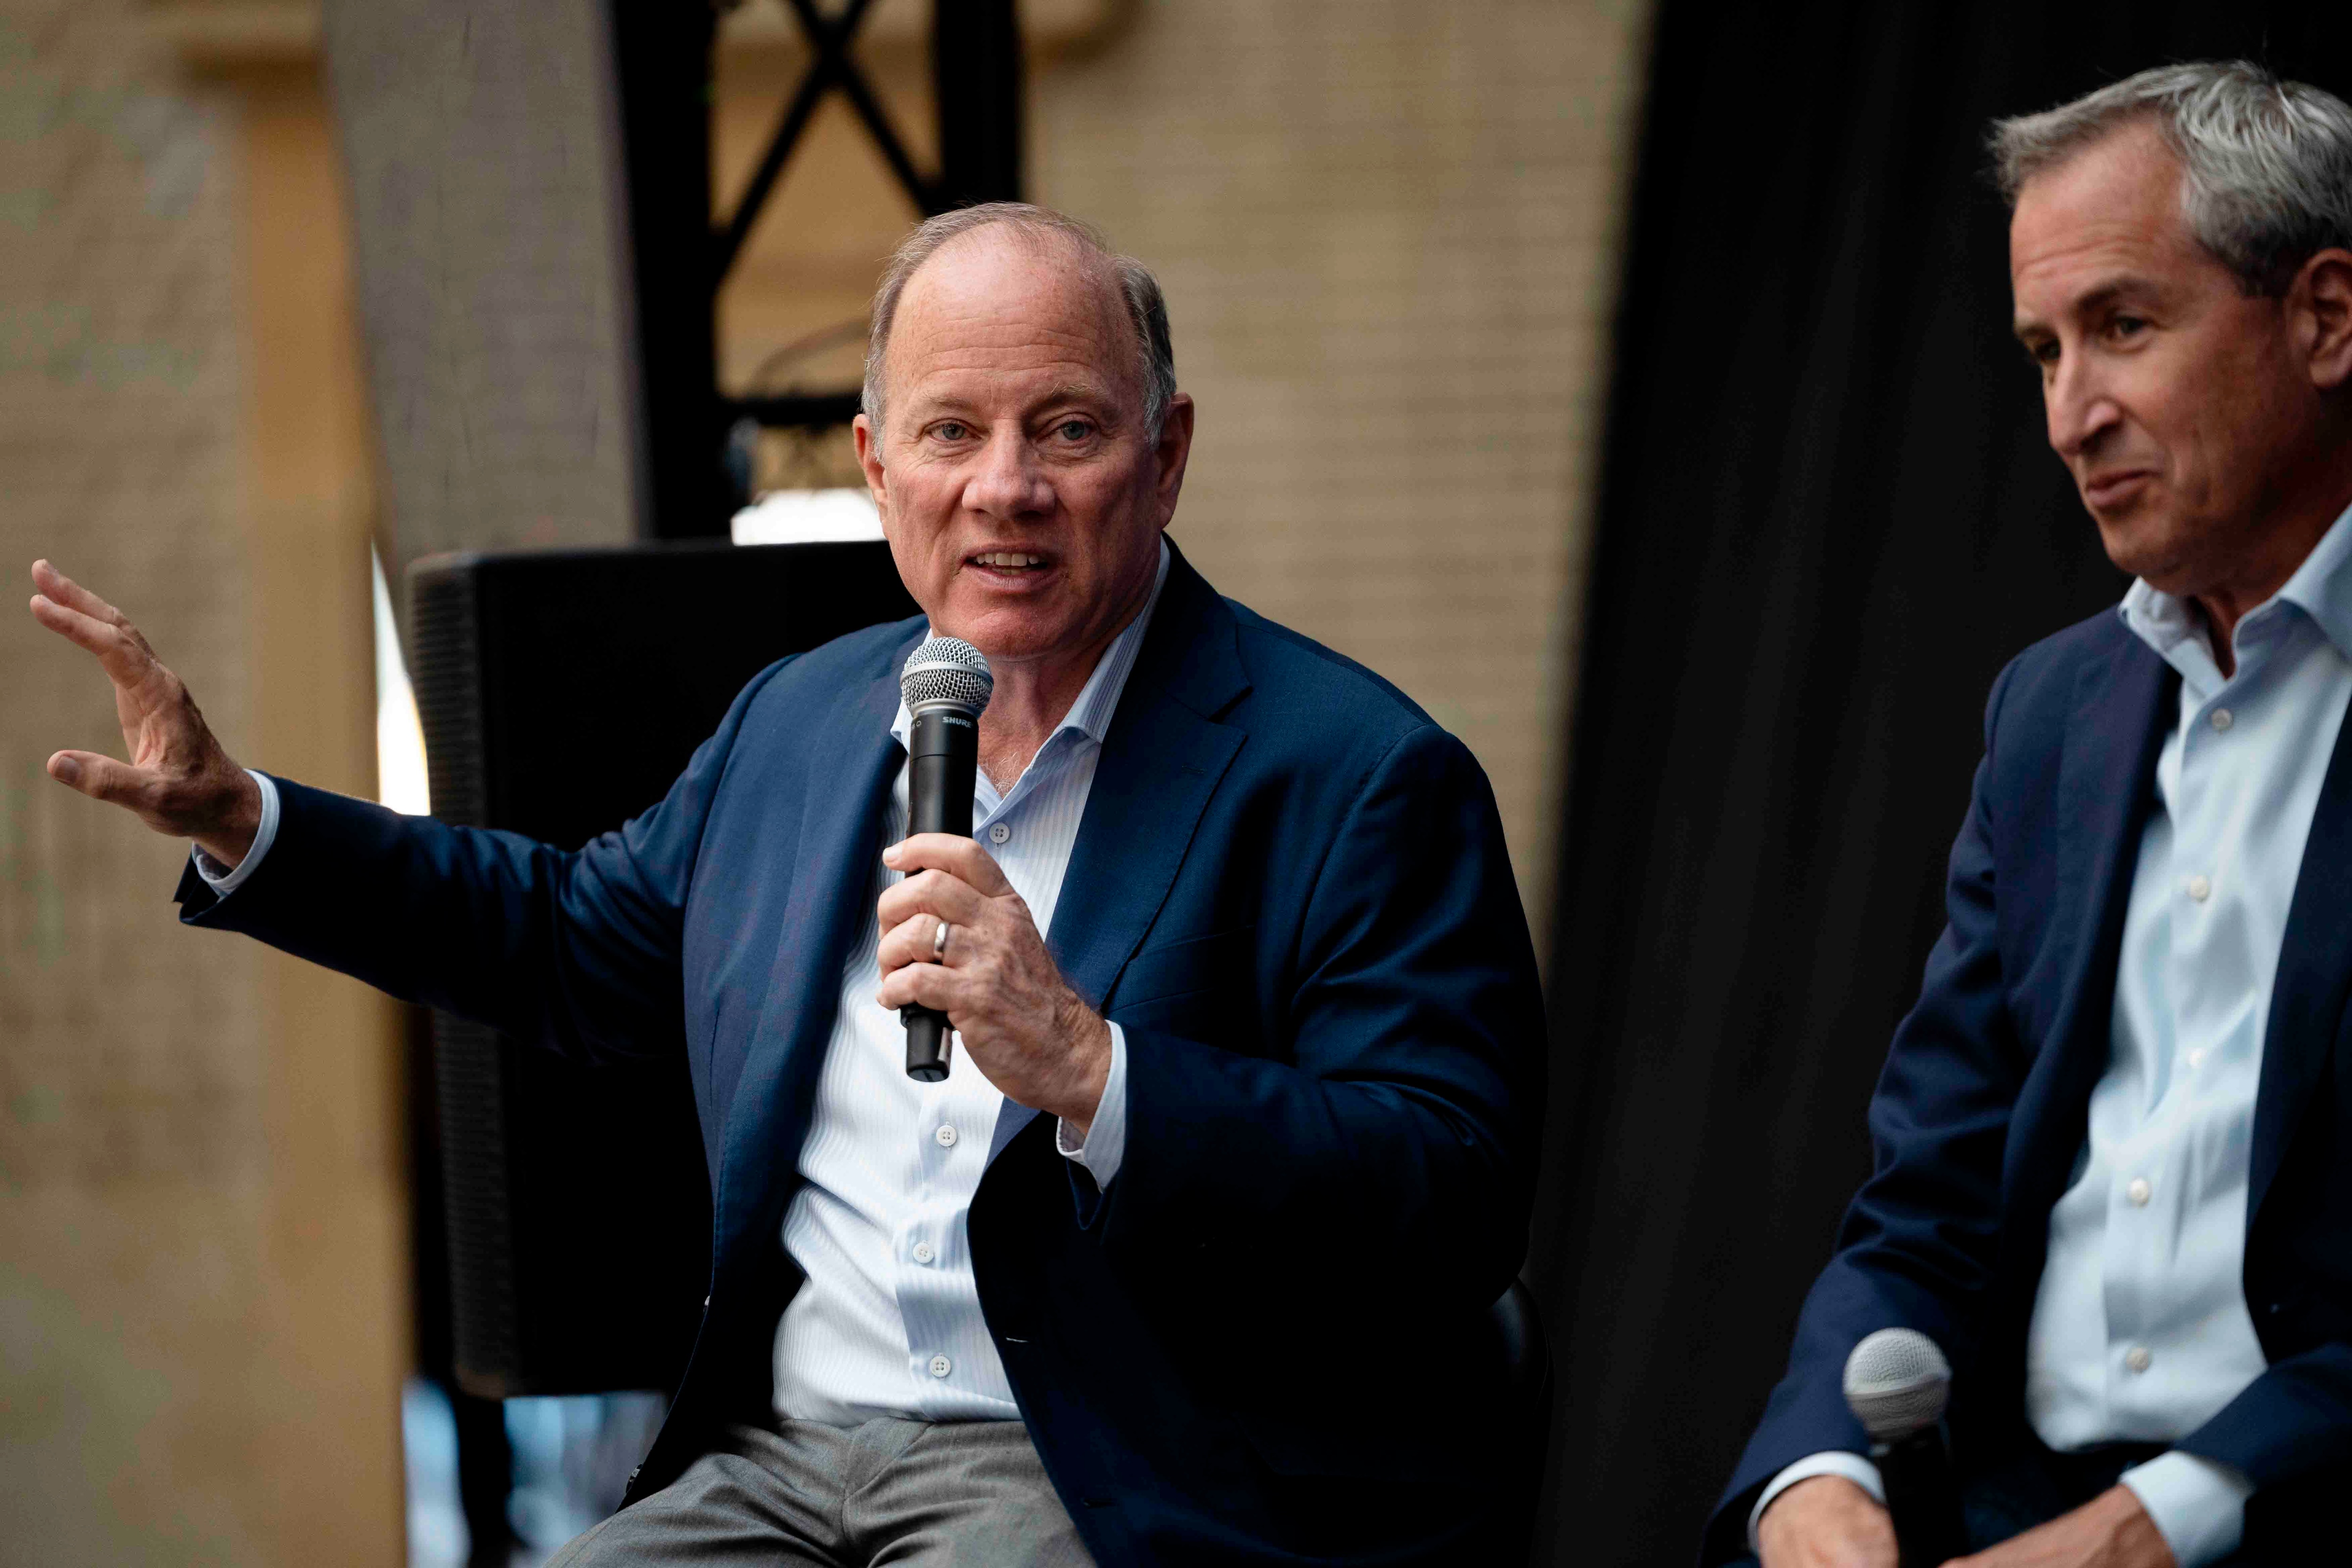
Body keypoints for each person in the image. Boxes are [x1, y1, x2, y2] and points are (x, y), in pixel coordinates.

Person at [28, 203, 1543, 1566]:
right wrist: (251, 820)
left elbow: (1456, 1190)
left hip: (1105, 1476)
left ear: (1169, 454)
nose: (1005, 489)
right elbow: (565, 937)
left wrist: (1097, 1070)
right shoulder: (804, 721)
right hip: (775, 1465)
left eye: (1067, 429)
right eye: (953, 434)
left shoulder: (1354, 771)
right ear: (879, 465)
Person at [1708, 63, 2352, 1568]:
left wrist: (2159, 1525)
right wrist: (1814, 1470)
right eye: (2042, 352)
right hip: (2011, 1498)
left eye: (2124, 327)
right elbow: (1925, 1200)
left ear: (2327, 316)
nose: (2072, 415)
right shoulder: (2054, 715)